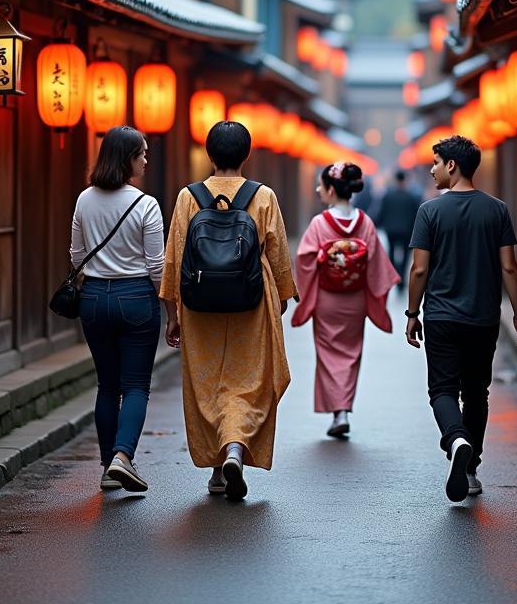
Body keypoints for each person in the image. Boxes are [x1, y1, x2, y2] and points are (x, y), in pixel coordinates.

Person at [160, 120, 297, 501]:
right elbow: (278, 255)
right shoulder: (263, 196)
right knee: (248, 383)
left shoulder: (189, 197)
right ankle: (237, 447)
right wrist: (281, 297)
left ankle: (219, 467)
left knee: (208, 386)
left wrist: (172, 313)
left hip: (200, 306)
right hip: (251, 305)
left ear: (209, 154)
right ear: (246, 154)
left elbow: (174, 258)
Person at [404, 135, 517, 503]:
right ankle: (471, 467)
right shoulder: (497, 210)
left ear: (452, 166)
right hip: (483, 317)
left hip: (442, 316)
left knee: (442, 390)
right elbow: (509, 266)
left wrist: (413, 314)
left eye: (435, 162)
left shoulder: (429, 212)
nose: (431, 169)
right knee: (476, 391)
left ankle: (456, 439)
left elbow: (418, 270)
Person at [72, 125, 165, 494]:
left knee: (107, 385)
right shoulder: (145, 204)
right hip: (136, 297)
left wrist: (95, 281)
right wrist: (169, 306)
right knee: (136, 385)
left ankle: (106, 464)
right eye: (141, 153)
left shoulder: (84, 199)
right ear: (127, 158)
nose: (146, 159)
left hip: (93, 297)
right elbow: (156, 265)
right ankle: (123, 457)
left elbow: (76, 256)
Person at [292, 162, 400, 438]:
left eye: (321, 185)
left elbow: (304, 259)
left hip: (328, 298)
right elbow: (376, 262)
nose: (318, 190)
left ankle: (337, 412)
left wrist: (311, 277)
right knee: (351, 355)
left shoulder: (320, 223)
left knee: (329, 355)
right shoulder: (364, 222)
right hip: (355, 299)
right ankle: (343, 409)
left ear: (330, 189)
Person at [376, 170, 422, 286]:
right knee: (406, 255)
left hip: (390, 230)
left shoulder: (387, 196)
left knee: (391, 251)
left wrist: (379, 224)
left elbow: (381, 212)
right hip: (406, 230)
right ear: (405, 180)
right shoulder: (411, 197)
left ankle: (394, 274)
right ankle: (401, 276)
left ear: (395, 180)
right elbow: (416, 215)